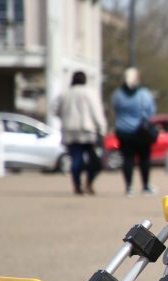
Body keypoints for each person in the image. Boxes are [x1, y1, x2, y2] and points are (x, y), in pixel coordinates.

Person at [54, 70, 107, 195]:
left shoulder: (65, 94)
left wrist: (65, 117)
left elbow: (55, 110)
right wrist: (102, 128)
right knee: (95, 162)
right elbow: (97, 112)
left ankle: (77, 185)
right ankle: (88, 182)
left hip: (70, 131)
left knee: (76, 159)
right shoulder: (89, 93)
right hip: (87, 130)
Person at [111, 67, 156, 196]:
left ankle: (129, 187)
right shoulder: (144, 94)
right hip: (140, 131)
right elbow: (151, 110)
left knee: (127, 159)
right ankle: (146, 186)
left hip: (123, 131)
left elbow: (115, 108)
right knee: (145, 159)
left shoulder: (118, 94)